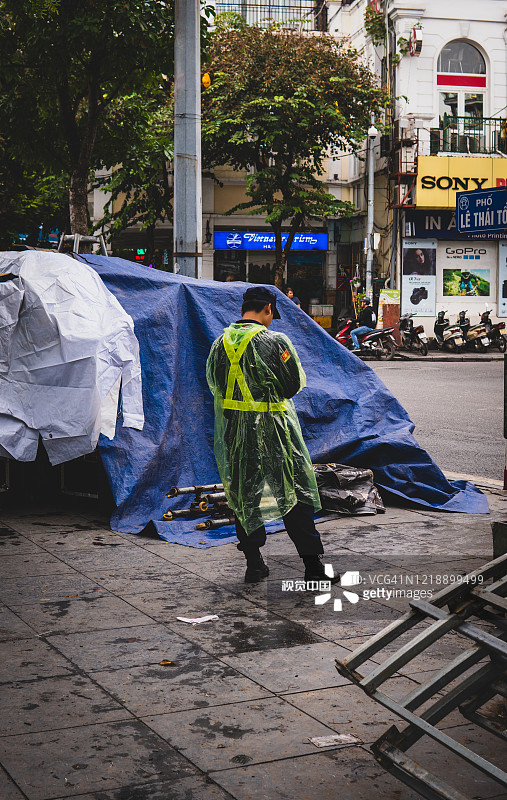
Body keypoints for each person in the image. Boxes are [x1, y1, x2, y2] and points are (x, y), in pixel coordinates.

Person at [206, 285, 339, 584]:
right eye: (271, 314)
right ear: (268, 309)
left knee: (245, 497)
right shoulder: (275, 341)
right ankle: (313, 568)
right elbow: (292, 386)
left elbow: (215, 384)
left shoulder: (219, 344)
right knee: (295, 494)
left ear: (243, 310)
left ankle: (254, 564)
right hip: (275, 432)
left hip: (236, 433)